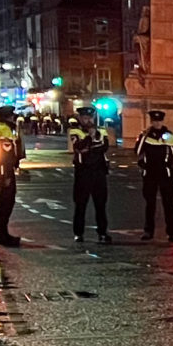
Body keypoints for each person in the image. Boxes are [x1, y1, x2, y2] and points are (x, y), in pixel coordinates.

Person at [68, 105, 112, 244]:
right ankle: (78, 233)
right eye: (85, 118)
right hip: (83, 172)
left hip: (99, 171)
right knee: (80, 204)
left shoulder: (102, 131)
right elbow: (79, 148)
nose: (88, 120)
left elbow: (104, 147)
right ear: (80, 118)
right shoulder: (75, 131)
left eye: (90, 118)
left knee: (101, 204)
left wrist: (90, 144)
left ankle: (102, 232)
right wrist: (90, 138)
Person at [137, 109, 173, 242]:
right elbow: (137, 151)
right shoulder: (145, 135)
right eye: (154, 121)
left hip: (165, 174)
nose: (156, 123)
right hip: (149, 173)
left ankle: (171, 232)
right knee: (150, 204)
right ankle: (148, 231)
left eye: (159, 121)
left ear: (162, 121)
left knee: (168, 204)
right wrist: (143, 137)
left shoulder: (168, 136)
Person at [0, 107, 24, 246]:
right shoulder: (4, 130)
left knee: (4, 201)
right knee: (7, 202)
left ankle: (2, 233)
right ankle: (1, 235)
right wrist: (8, 173)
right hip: (4, 169)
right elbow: (6, 154)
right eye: (12, 116)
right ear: (8, 117)